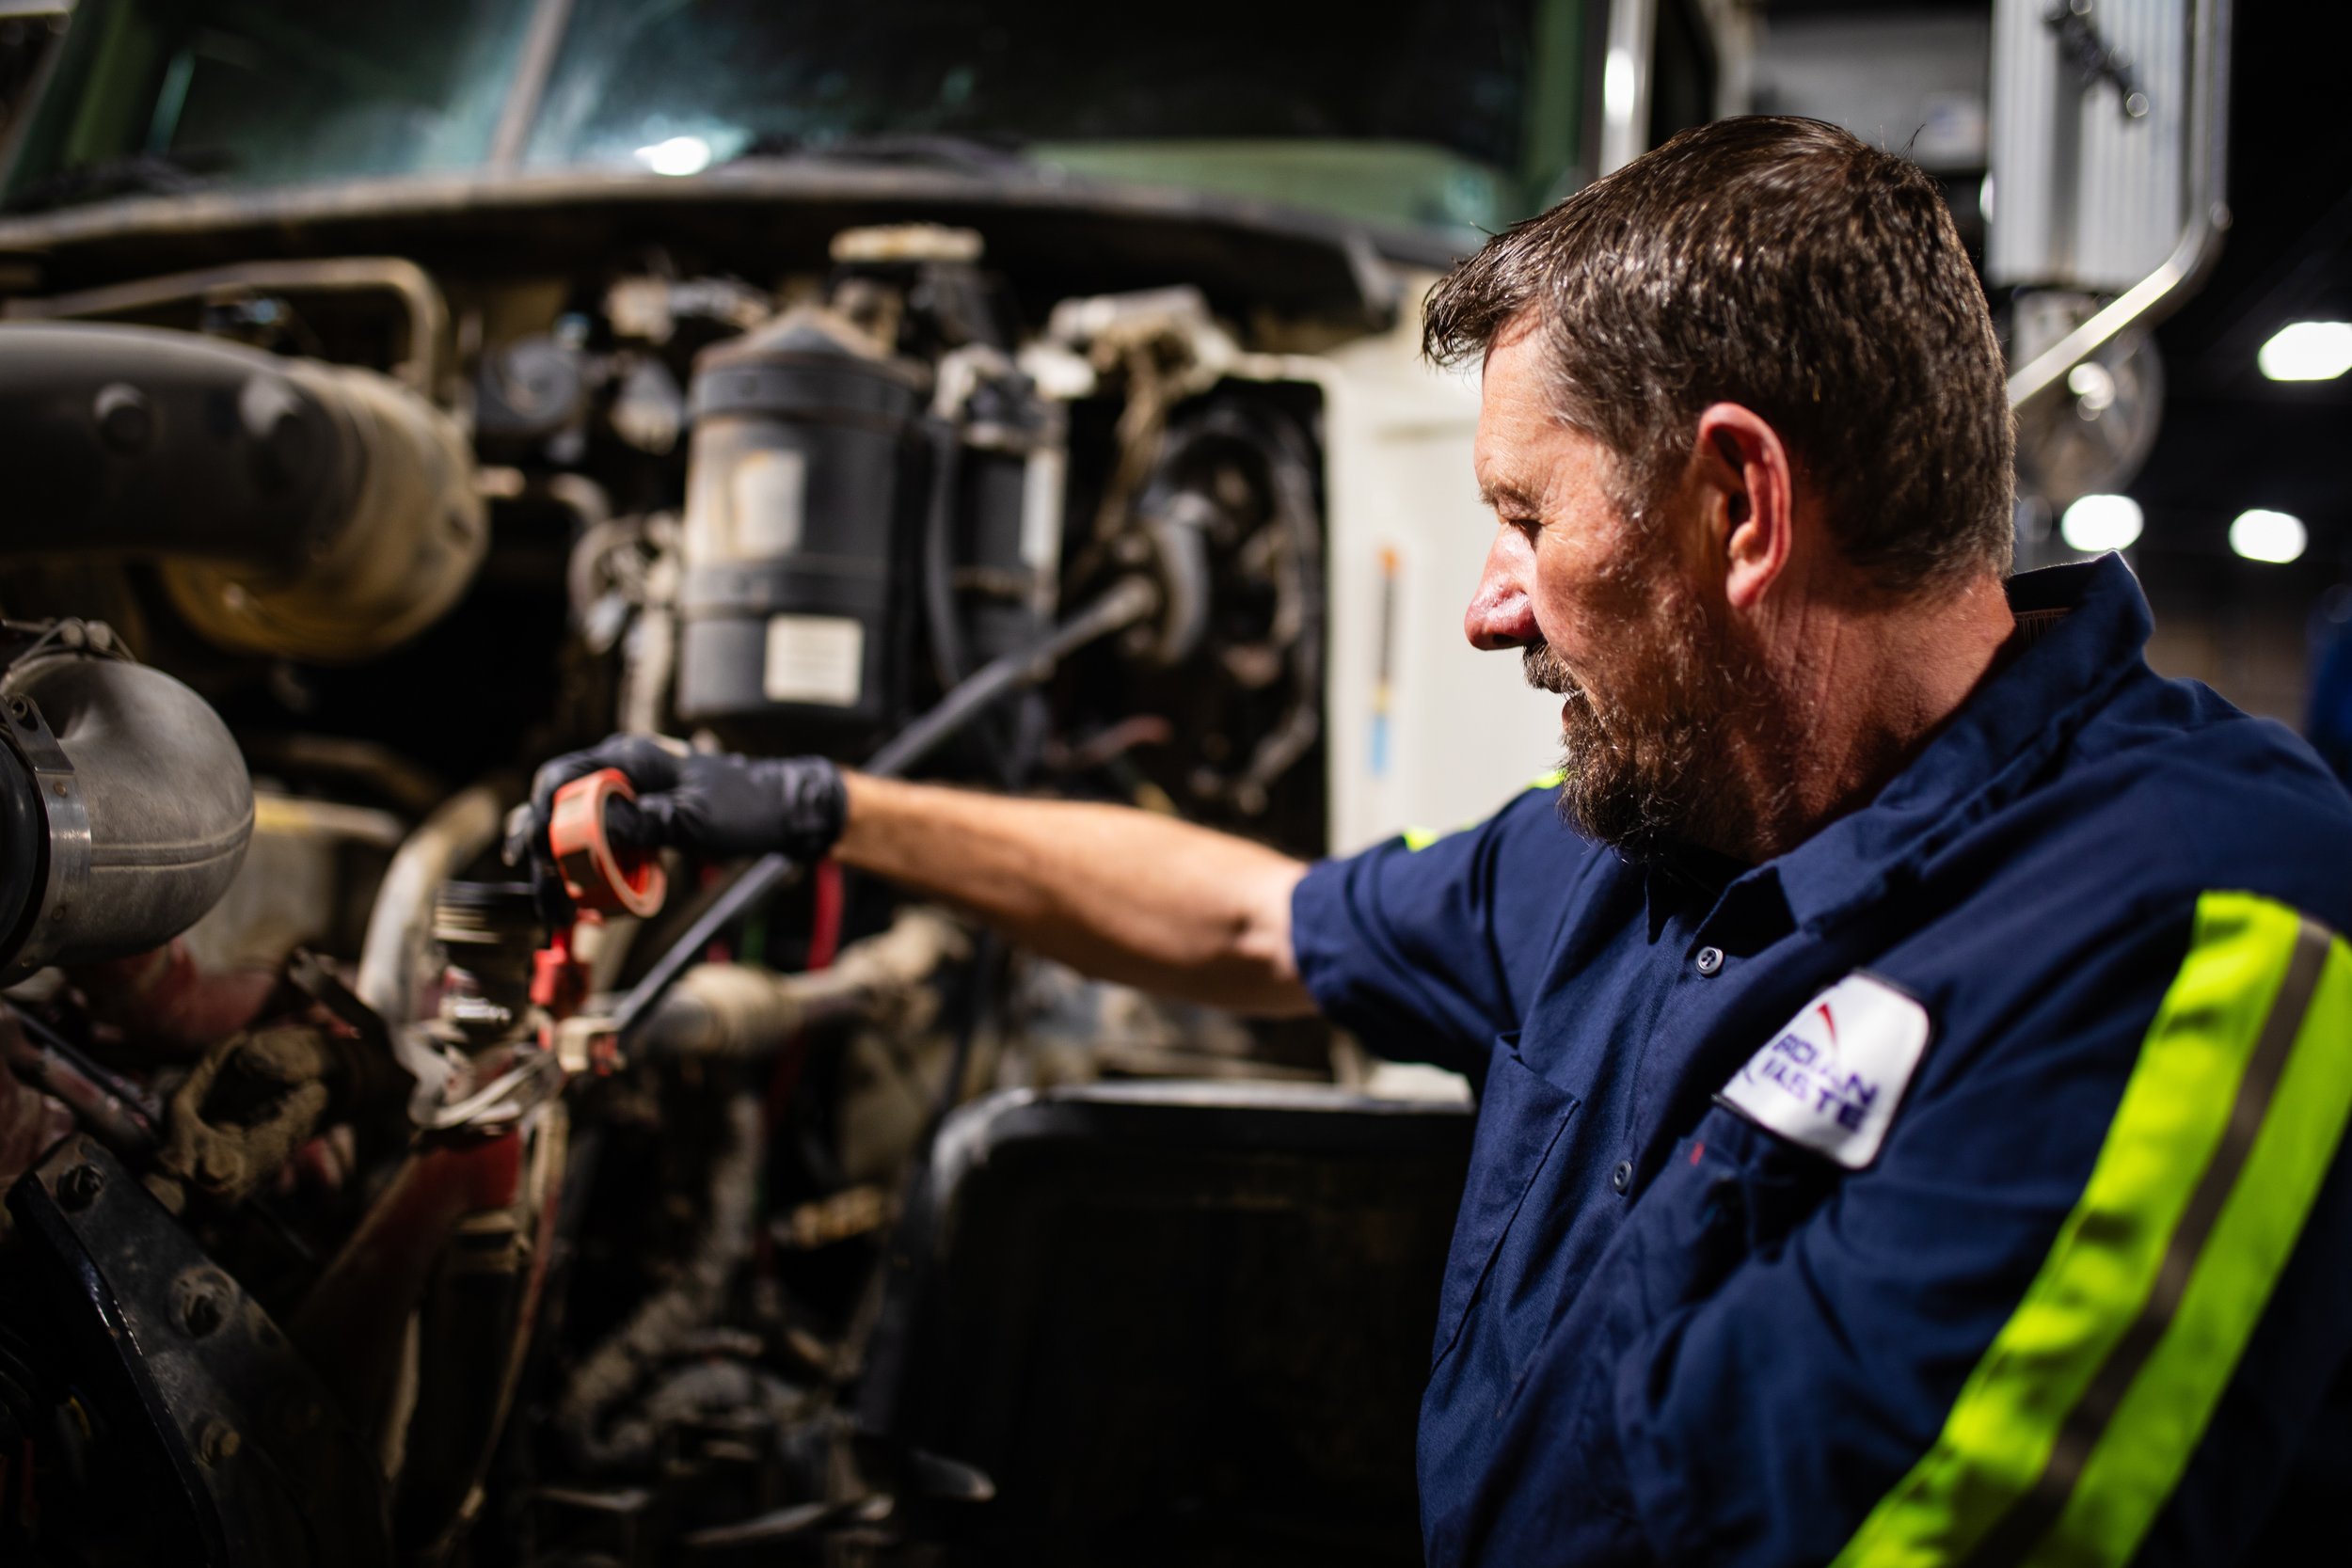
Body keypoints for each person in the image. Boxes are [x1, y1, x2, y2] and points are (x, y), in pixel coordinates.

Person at [516, 118, 2352, 1567]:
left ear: (1734, 503)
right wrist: (811, 806)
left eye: (1521, 515)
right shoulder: (1631, 848)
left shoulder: (2195, 920)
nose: (1488, 607)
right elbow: (1252, 923)